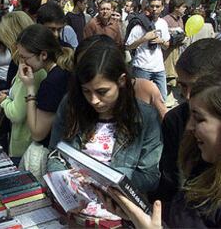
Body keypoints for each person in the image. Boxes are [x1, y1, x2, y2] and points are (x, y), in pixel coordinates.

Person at [48, 36, 162, 224]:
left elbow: (150, 177)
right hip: (72, 211)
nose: (94, 100)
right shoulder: (71, 106)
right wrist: (63, 180)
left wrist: (108, 177)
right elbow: (55, 153)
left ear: (122, 81)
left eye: (102, 92)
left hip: (119, 217)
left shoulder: (145, 118)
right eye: (86, 91)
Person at [96, 72, 221, 228]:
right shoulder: (202, 168)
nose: (189, 126)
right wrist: (135, 215)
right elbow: (176, 218)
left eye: (199, 118)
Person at [154, 38, 221, 203]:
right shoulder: (175, 119)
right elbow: (168, 181)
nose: (189, 96)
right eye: (183, 86)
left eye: (198, 87)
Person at [0, 13, 45, 165]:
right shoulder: (26, 66)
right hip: (22, 143)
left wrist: (4, 101)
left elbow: (17, 113)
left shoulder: (31, 70)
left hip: (24, 146)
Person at [17, 24, 73, 146]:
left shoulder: (52, 82)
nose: (22, 63)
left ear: (43, 55)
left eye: (24, 57)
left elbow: (37, 134)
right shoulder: (64, 70)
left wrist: (30, 87)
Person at [126, 0, 170, 101]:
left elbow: (167, 46)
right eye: (152, 6)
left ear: (162, 7)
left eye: (157, 6)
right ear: (148, 7)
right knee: (141, 100)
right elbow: (128, 46)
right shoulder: (139, 24)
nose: (154, 9)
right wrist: (144, 39)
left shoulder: (163, 23)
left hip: (159, 68)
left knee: (162, 99)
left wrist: (161, 41)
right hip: (142, 67)